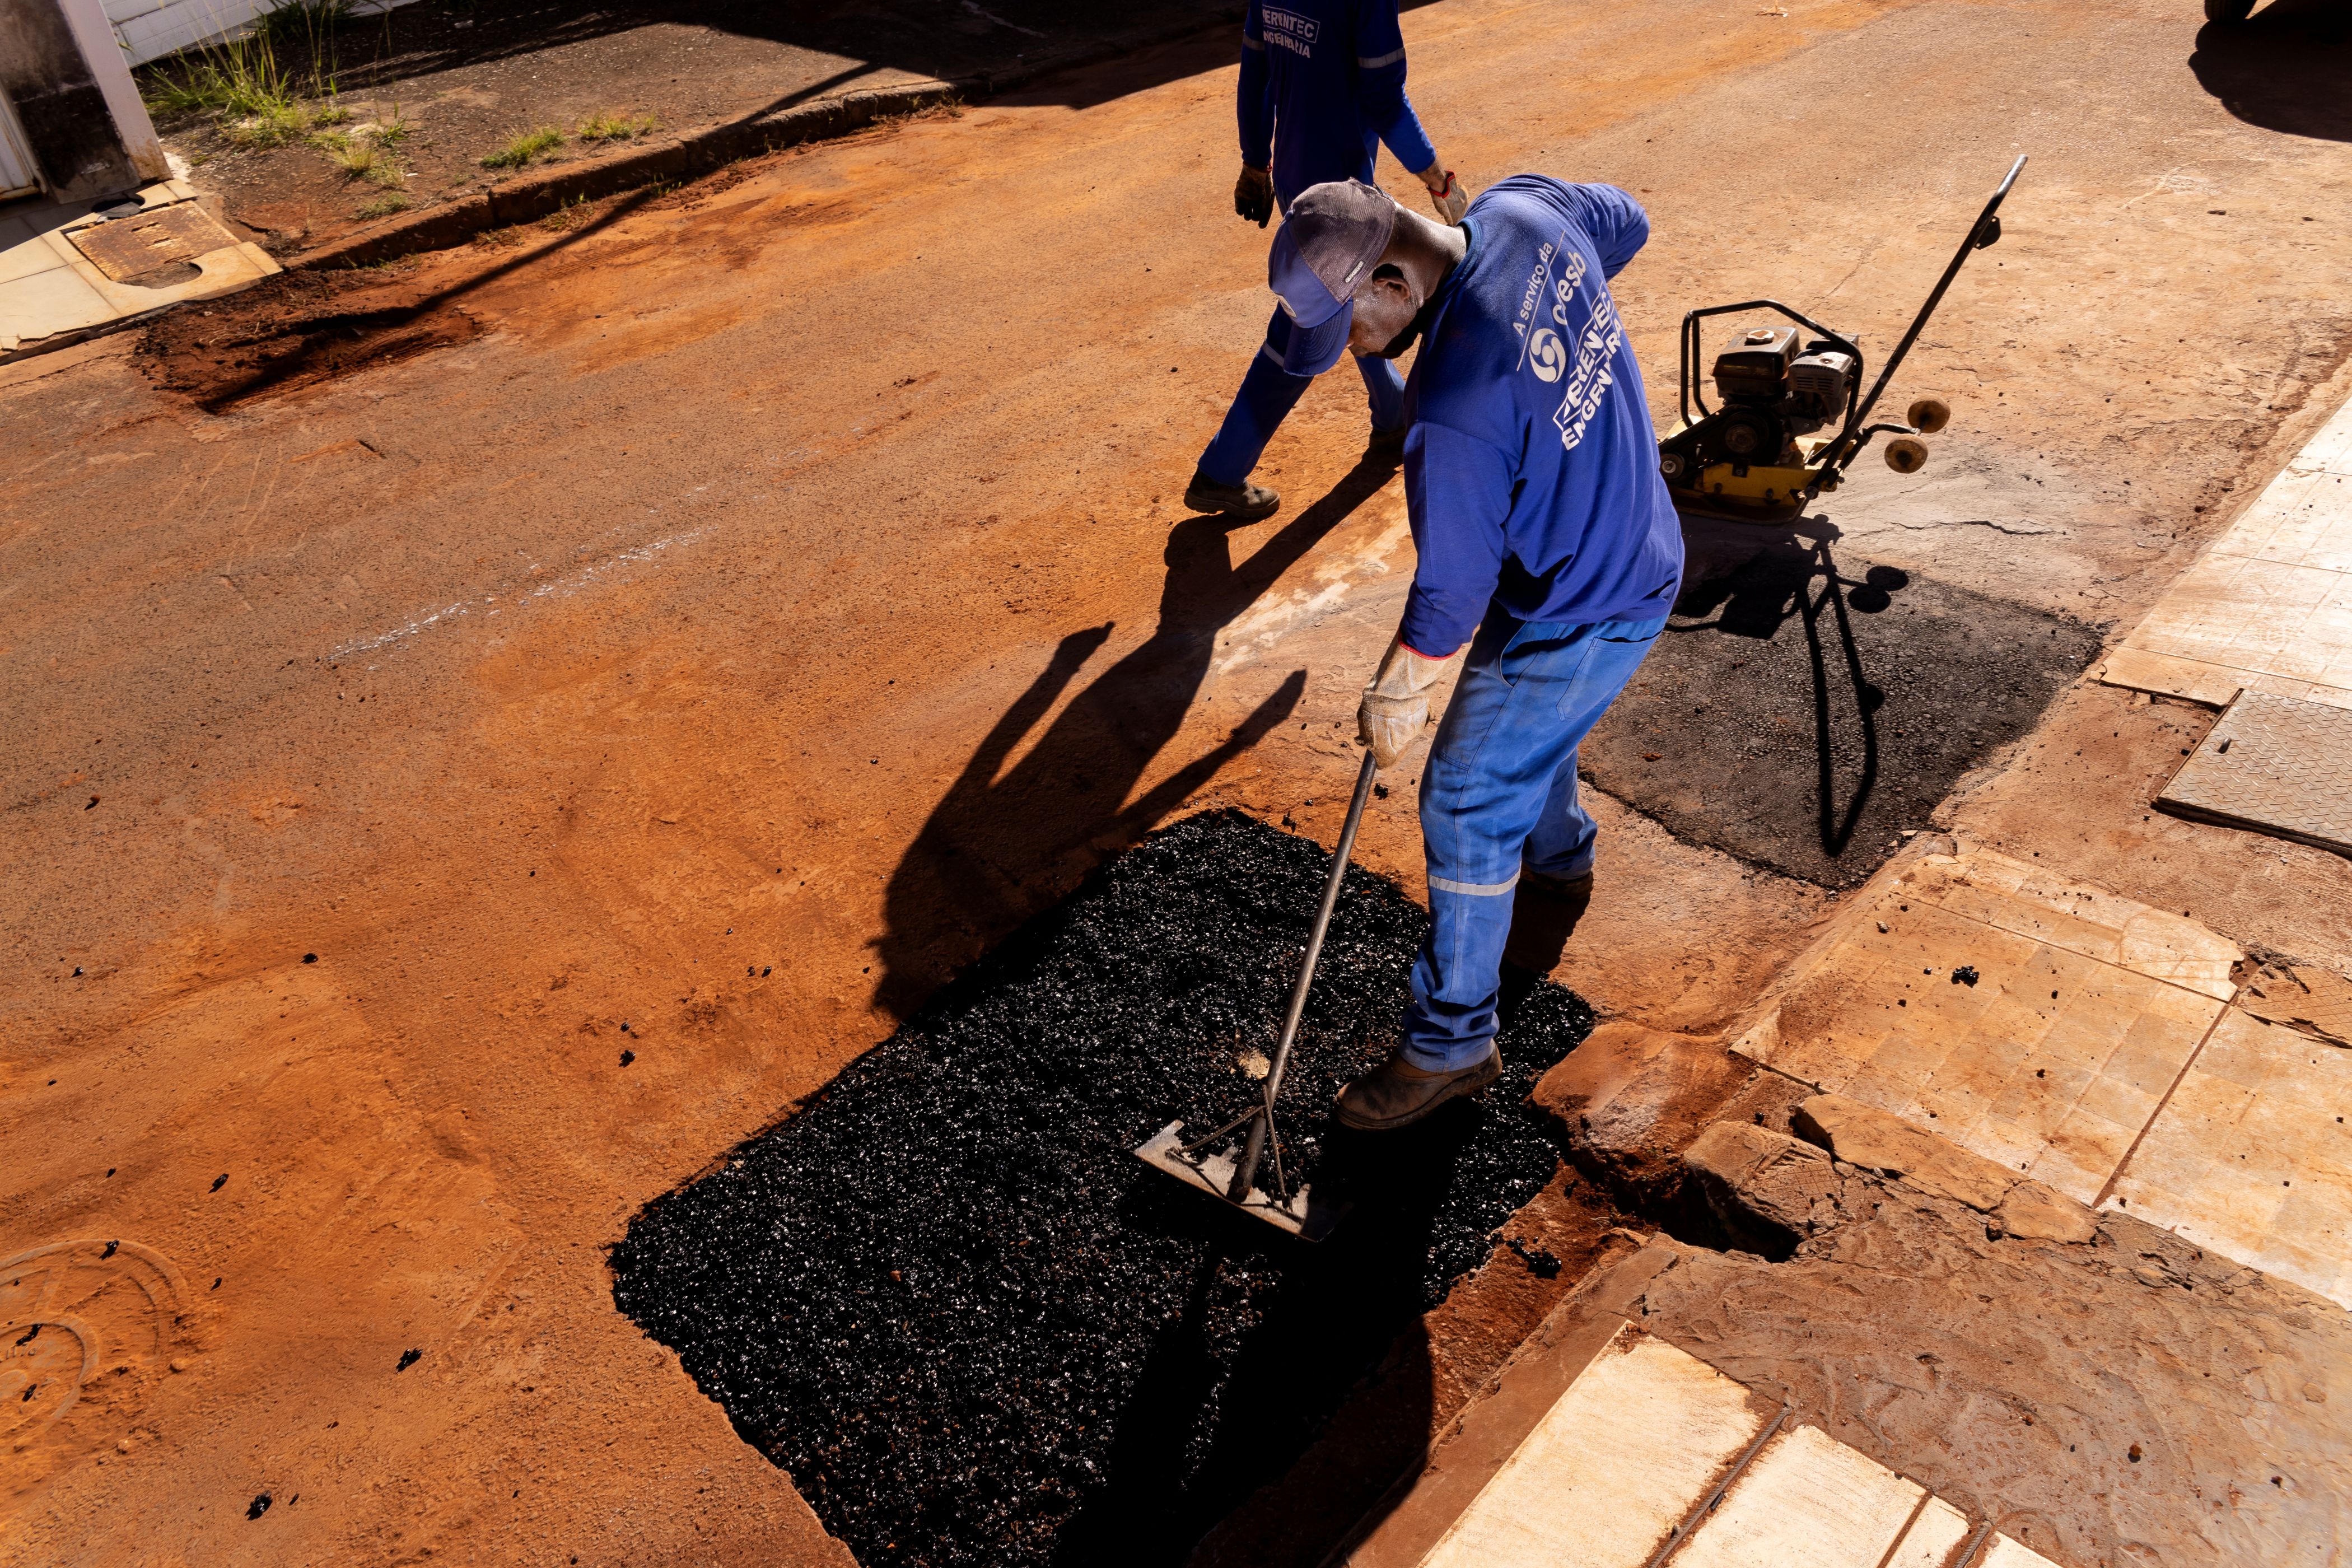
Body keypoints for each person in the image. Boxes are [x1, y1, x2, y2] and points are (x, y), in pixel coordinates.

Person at [1247, 177, 1684, 1130]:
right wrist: (1562, 344)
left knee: (1467, 790)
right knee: (1522, 725)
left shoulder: (1450, 412)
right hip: (1631, 540)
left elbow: (1451, 592)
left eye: (1353, 325)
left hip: (1581, 605)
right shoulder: (1528, 212)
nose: (1350, 352)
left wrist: (1399, 688)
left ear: (1397, 278)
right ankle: (1560, 855)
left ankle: (1452, 1044)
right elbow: (1628, 222)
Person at [1181, 0, 1468, 522]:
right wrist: (1437, 177)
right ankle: (1220, 472)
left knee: (1354, 309)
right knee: (1299, 336)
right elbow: (1385, 101)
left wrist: (1255, 162)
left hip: (1298, 183)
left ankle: (1391, 413)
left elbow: (1255, 72)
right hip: (1345, 204)